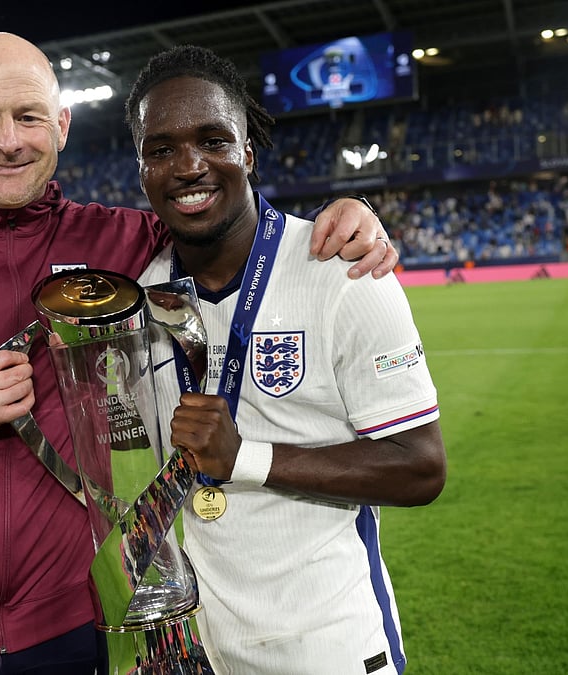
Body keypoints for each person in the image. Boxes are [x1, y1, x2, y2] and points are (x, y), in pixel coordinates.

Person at [0, 32, 397, 675]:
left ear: (63, 126)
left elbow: (226, 216)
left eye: (29, 117)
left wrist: (347, 213)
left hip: (80, 628)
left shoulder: (121, 241)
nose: (9, 140)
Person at [128, 46, 446, 674]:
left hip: (328, 645)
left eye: (213, 140)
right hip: (200, 652)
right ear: (142, 169)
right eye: (161, 150)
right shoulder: (139, 300)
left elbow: (420, 468)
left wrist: (243, 457)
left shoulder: (344, 271)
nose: (189, 167)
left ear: (248, 150)